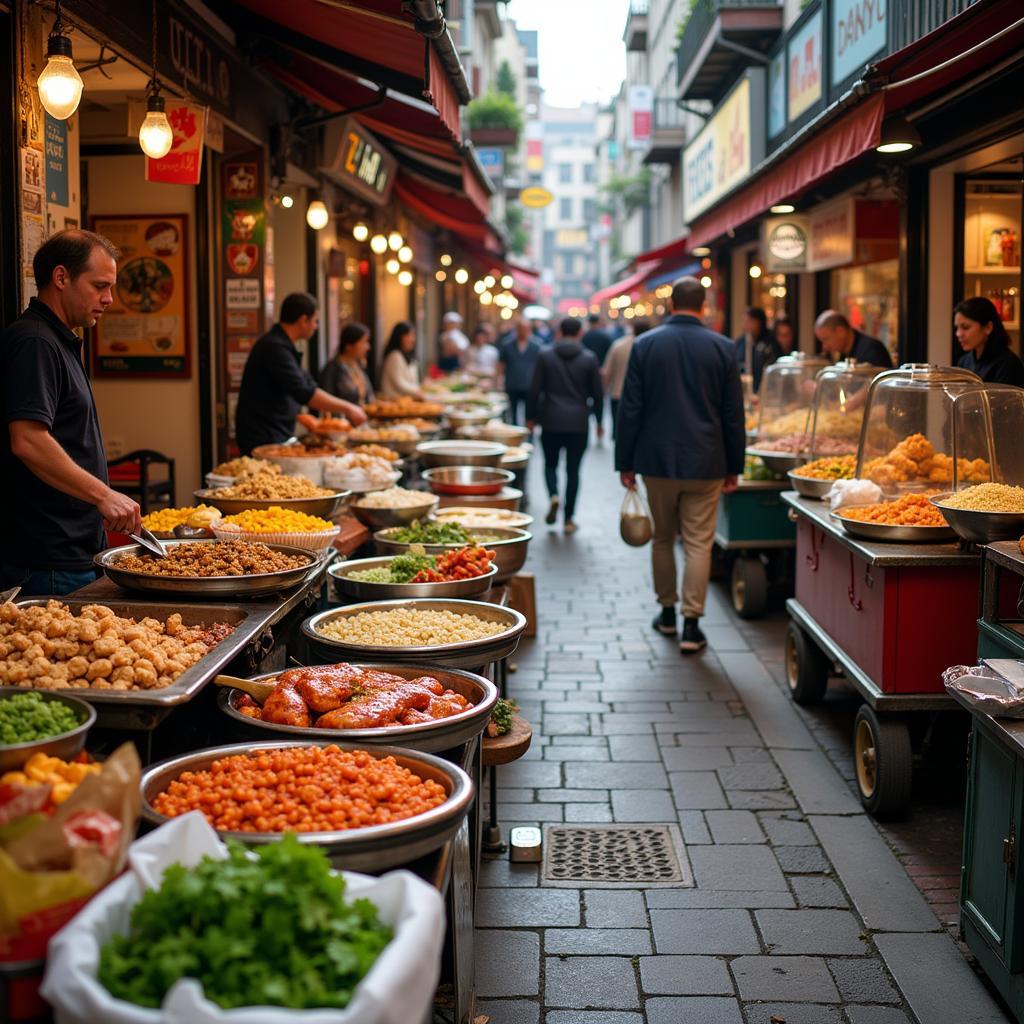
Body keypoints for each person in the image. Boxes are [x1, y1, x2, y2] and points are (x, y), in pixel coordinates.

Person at [0, 229, 141, 595]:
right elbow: (28, 441)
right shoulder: (34, 341)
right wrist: (103, 496)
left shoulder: (59, 339)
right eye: (99, 286)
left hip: (74, 550)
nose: (109, 299)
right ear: (61, 277)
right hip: (47, 559)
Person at [615, 276, 744, 654]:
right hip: (707, 460)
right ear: (703, 306)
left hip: (656, 461)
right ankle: (692, 625)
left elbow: (630, 408)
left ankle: (667, 614)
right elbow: (733, 414)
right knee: (699, 544)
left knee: (662, 538)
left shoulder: (645, 345)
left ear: (671, 305)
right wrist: (734, 465)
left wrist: (625, 461)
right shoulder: (723, 347)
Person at [235, 293, 366, 454]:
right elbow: (303, 392)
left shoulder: (282, 345)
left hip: (275, 433)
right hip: (262, 437)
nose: (316, 326)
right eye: (315, 320)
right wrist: (348, 408)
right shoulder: (274, 347)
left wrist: (302, 415)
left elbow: (303, 384)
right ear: (303, 320)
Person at [527, 317, 603, 535]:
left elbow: (535, 389)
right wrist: (598, 420)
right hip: (578, 422)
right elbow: (597, 394)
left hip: (550, 419)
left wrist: (530, 417)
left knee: (550, 464)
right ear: (580, 333)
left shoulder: (545, 355)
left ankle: (553, 495)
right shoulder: (589, 358)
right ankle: (569, 518)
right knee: (573, 470)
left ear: (559, 331)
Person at [954, 296, 1024, 386]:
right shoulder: (964, 361)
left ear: (988, 327)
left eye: (965, 327)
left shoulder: (1007, 364)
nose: (958, 334)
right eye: (957, 328)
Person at [603, 318, 651, 441]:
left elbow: (607, 371)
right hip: (647, 396)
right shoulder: (653, 346)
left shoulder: (618, 345)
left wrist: (603, 391)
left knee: (620, 433)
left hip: (618, 394)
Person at [498, 317, 542, 425]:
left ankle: (529, 435)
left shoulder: (536, 345)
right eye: (521, 328)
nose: (524, 331)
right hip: (512, 383)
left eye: (526, 328)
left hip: (529, 384)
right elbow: (501, 364)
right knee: (512, 413)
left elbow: (540, 366)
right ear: (517, 329)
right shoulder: (507, 344)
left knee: (530, 413)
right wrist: (499, 381)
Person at [318, 322, 374, 406]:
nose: (368, 347)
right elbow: (326, 402)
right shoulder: (333, 368)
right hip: (342, 418)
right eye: (363, 342)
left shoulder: (358, 366)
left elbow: (368, 398)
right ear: (348, 345)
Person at [814, 309, 892, 368]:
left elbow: (870, 386)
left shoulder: (871, 349)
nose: (825, 347)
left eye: (826, 339)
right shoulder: (844, 353)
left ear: (840, 331)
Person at [734, 306, 780, 392]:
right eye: (744, 322)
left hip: (768, 390)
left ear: (759, 322)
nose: (745, 325)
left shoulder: (771, 341)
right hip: (745, 390)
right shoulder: (740, 342)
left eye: (749, 321)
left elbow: (774, 366)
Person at [379, 321, 424, 399]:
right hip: (394, 402)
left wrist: (420, 388)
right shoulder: (394, 356)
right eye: (408, 335)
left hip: (407, 400)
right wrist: (417, 390)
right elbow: (399, 383)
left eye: (413, 335)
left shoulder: (410, 357)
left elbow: (414, 381)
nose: (412, 339)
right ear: (399, 337)